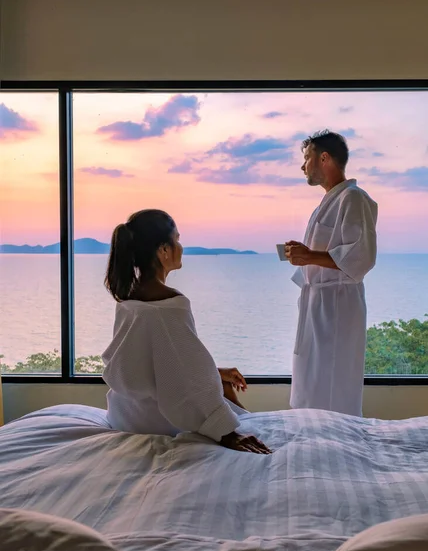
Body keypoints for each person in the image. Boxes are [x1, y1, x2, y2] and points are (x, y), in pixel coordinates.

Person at [102, 209, 271, 454]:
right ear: (163, 250)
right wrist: (227, 433)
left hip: (124, 414)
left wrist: (215, 372)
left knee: (220, 387)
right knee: (225, 400)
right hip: (156, 421)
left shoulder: (129, 296)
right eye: (177, 239)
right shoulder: (171, 304)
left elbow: (154, 362)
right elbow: (189, 384)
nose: (181, 247)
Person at [285, 130, 378, 417]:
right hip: (317, 304)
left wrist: (309, 256)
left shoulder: (353, 199)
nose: (303, 166)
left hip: (337, 306)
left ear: (324, 158)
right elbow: (327, 255)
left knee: (334, 384)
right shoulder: (327, 203)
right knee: (311, 381)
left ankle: (338, 448)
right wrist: (303, 255)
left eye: (307, 158)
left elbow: (360, 256)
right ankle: (311, 441)